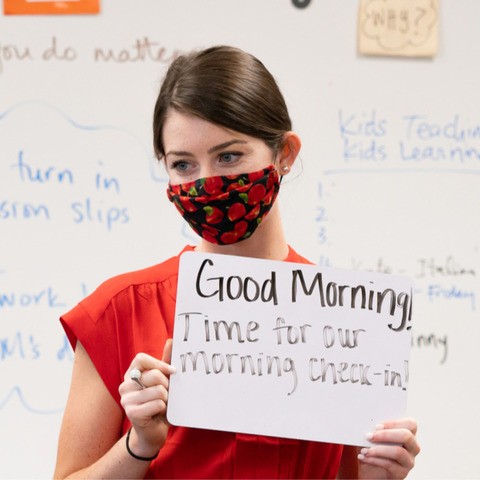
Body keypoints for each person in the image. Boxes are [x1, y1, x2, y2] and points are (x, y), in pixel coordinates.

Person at [54, 45, 420, 479]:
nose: (207, 182)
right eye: (183, 164)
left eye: (229, 156)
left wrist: (379, 476)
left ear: (284, 154)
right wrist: (139, 445)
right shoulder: (118, 310)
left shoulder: (343, 322)